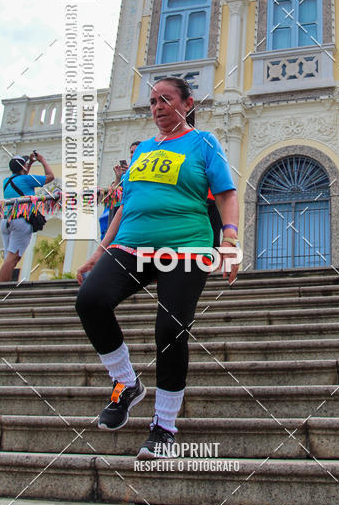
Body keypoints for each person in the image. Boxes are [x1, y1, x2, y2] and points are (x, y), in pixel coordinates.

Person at [75, 78, 240, 458]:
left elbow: (227, 195)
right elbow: (124, 205)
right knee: (91, 300)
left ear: (187, 102)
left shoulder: (203, 143)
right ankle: (126, 383)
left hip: (186, 246)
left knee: (169, 327)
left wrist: (228, 243)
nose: (157, 107)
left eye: (165, 99)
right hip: (132, 243)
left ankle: (164, 426)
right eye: (152, 101)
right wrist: (98, 253)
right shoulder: (143, 150)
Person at [0, 152, 55, 283]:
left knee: (10, 257)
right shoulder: (26, 180)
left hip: (6, 221)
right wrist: (42, 160)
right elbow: (50, 177)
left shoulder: (7, 181)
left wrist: (29, 163)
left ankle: (2, 289)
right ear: (23, 167)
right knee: (12, 258)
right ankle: (0, 292)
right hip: (20, 221)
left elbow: (22, 176)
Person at [105, 141, 141, 225]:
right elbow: (112, 197)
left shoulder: (146, 171)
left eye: (136, 151)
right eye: (131, 152)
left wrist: (132, 171)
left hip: (134, 214)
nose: (132, 154)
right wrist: (118, 177)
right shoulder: (124, 174)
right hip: (118, 214)